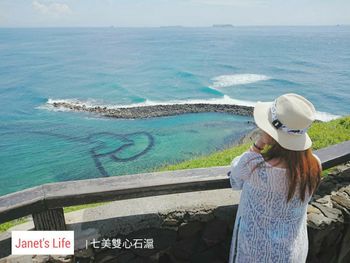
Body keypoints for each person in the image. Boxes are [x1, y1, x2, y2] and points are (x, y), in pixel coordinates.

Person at [228, 93, 322, 263]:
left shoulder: (256, 166)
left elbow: (235, 176)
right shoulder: (314, 165)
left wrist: (258, 145)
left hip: (254, 251)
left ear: (271, 134)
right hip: (292, 251)